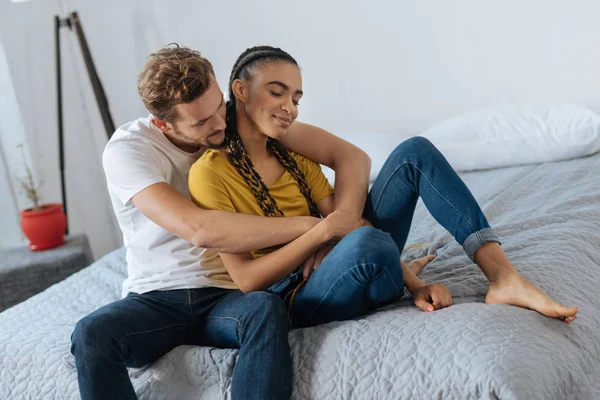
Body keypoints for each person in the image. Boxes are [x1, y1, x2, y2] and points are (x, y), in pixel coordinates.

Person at [188, 45, 579, 393]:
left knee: (414, 151)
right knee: (366, 243)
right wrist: (323, 235)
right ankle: (386, 268)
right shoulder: (209, 173)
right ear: (240, 91)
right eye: (277, 92)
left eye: (296, 97)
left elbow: (350, 220)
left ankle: (503, 276)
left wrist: (413, 283)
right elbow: (248, 281)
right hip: (298, 295)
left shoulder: (293, 154)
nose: (289, 106)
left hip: (354, 258)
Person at [70, 45, 378, 400]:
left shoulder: (239, 119)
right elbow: (200, 229)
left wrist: (342, 224)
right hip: (159, 300)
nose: (220, 123)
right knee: (91, 334)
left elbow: (349, 156)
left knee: (265, 307)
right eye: (201, 122)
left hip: (228, 296)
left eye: (219, 105)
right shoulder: (129, 150)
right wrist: (316, 227)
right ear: (162, 123)